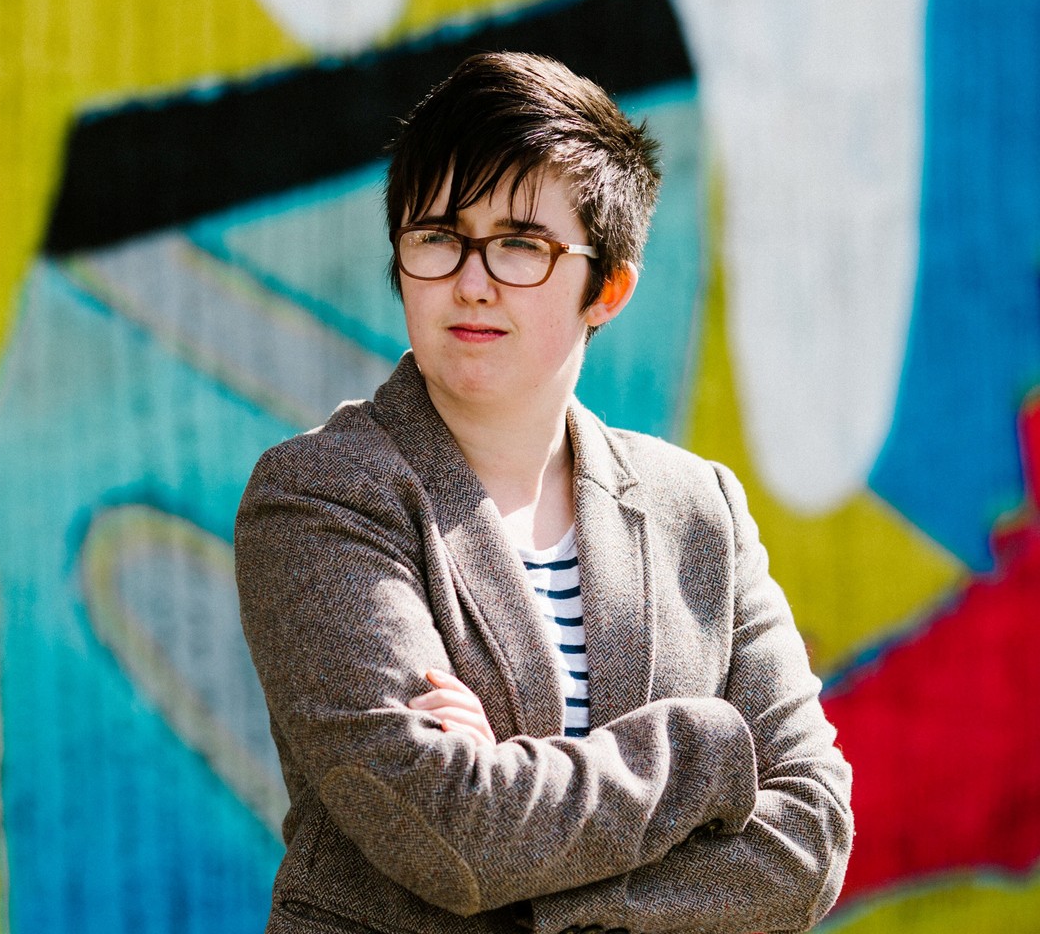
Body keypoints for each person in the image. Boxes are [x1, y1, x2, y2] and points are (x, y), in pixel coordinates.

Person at [234, 52, 852, 934]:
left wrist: (524, 815)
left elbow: (809, 842)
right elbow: (451, 832)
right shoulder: (322, 497)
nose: (472, 279)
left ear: (607, 285)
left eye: (521, 243)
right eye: (438, 236)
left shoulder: (697, 510)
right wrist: (705, 749)